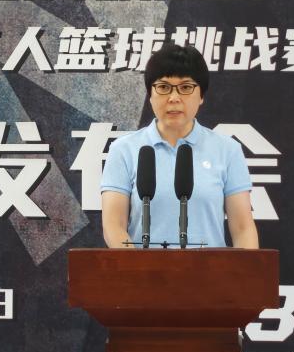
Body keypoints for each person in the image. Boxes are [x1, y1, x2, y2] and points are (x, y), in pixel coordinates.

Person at [100, 44, 259, 249]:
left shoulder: (228, 150)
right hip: (140, 269)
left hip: (211, 269)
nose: (174, 98)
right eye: (163, 87)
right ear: (150, 94)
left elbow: (243, 228)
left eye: (185, 88)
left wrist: (246, 269)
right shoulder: (123, 149)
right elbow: (113, 225)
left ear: (201, 96)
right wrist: (140, 267)